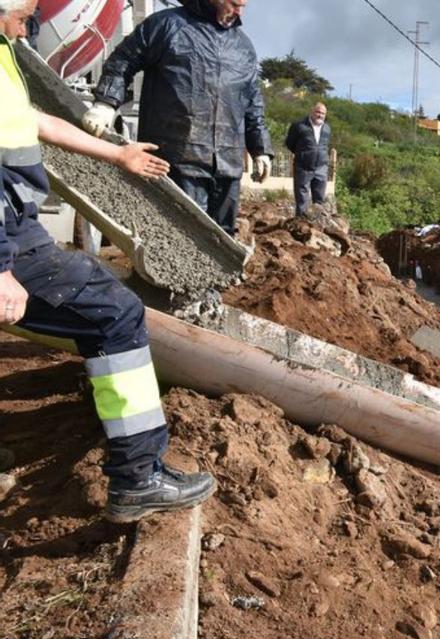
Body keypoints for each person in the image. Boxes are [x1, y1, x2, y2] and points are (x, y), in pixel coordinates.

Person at [1, 0, 215, 523]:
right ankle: (138, 477)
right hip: (9, 236)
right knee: (115, 313)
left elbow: (34, 122)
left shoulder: (4, 56)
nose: (30, 23)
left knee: (102, 305)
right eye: (26, 13)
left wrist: (117, 154)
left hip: (18, 227)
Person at [81, 0, 272, 236]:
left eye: (243, 6)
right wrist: (106, 103)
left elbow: (252, 101)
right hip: (175, 160)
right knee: (177, 236)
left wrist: (260, 148)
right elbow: (123, 61)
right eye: (234, 4)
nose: (239, 12)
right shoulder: (167, 25)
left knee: (222, 241)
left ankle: (216, 275)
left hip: (227, 165)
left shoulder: (243, 47)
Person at [285, 102, 332, 216]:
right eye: (318, 112)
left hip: (321, 168)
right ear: (312, 111)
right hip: (303, 168)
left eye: (323, 113)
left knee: (319, 201)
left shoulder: (327, 128)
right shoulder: (299, 126)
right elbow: (290, 143)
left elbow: (326, 146)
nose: (320, 115)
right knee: (302, 201)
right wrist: (303, 155)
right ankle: (300, 226)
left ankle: (318, 227)